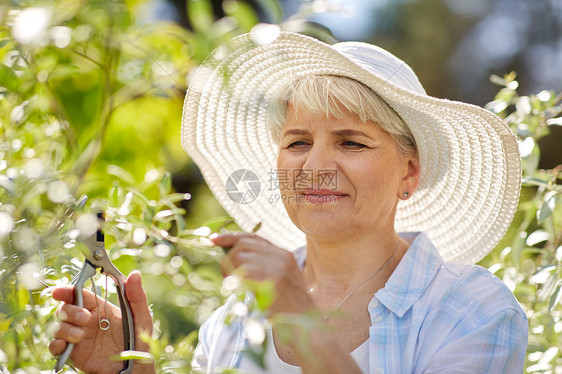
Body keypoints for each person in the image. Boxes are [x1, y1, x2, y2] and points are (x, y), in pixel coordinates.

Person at [50, 31, 528, 373]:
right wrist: (130, 369)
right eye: (297, 142)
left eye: (352, 143)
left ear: (410, 171)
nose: (315, 165)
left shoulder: (471, 311)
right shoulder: (232, 324)